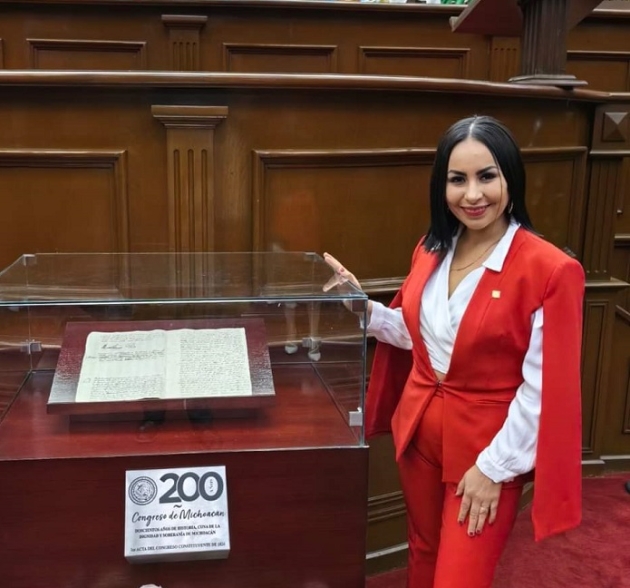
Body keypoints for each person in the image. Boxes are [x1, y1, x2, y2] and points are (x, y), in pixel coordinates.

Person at [323, 115, 585, 588]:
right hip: (420, 437)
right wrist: (361, 307)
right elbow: (423, 337)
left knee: (459, 578)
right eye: (457, 179)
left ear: (511, 177)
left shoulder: (551, 270)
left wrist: (492, 469)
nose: (472, 195)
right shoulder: (431, 248)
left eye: (487, 176)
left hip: (487, 453)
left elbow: (543, 389)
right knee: (422, 556)